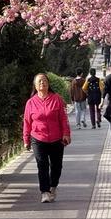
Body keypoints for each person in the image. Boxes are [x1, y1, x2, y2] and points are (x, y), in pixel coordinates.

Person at [23, 73, 72, 203]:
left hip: (56, 138)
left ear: (48, 84)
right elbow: (27, 122)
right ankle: (44, 192)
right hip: (38, 138)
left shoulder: (56, 99)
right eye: (39, 81)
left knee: (57, 166)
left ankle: (53, 187)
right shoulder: (31, 103)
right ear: (35, 85)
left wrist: (66, 134)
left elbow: (63, 118)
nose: (42, 83)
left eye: (44, 81)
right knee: (42, 165)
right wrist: (26, 139)